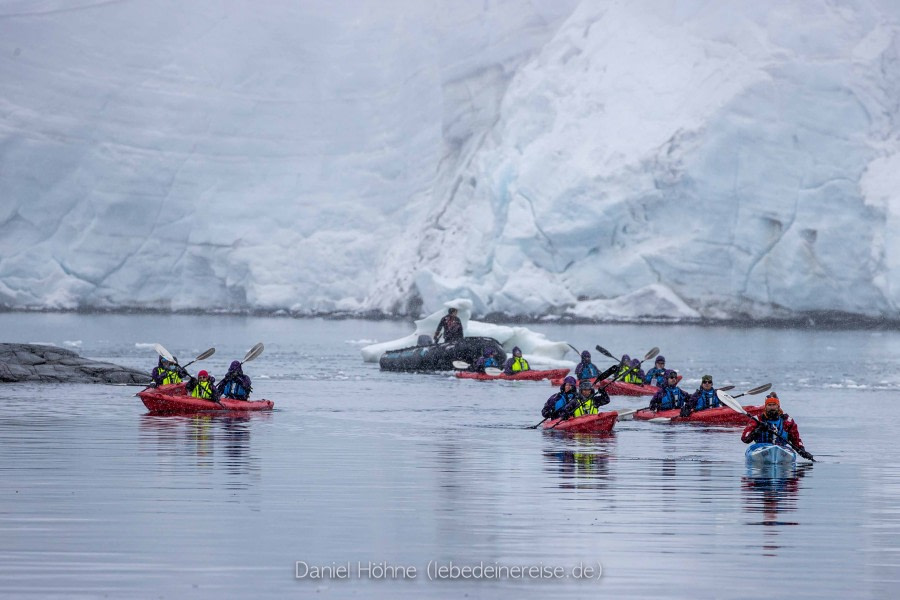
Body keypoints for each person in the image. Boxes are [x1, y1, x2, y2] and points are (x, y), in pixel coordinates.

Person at [741, 393, 814, 460]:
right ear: (765, 407)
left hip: (781, 449)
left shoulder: (787, 421)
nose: (772, 407)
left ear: (778, 406)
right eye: (769, 405)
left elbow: (796, 440)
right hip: (760, 448)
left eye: (774, 405)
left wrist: (802, 451)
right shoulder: (757, 420)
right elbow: (745, 439)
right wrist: (759, 429)